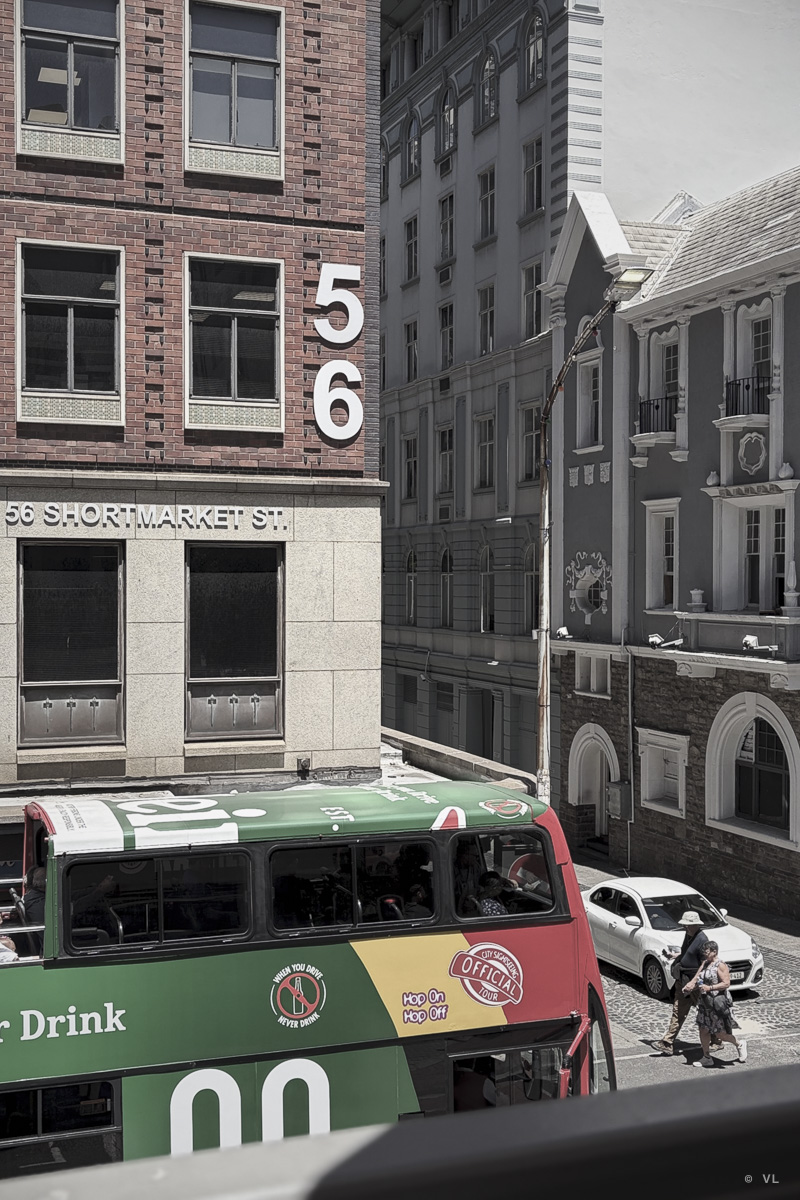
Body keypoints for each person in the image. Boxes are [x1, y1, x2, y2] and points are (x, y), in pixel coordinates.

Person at [654, 910, 716, 1056]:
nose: (685, 927)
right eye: (684, 925)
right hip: (683, 980)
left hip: (694, 984)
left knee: (706, 1011)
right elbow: (687, 953)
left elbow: (705, 964)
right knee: (678, 1010)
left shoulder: (702, 940)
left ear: (695, 924)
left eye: (687, 925)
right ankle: (667, 1042)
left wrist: (693, 983)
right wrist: (675, 955)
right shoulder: (689, 936)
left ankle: (717, 1040)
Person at [683, 940, 747, 1066]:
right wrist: (691, 986)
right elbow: (698, 978)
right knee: (703, 1029)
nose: (704, 953)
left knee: (720, 1034)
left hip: (716, 1004)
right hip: (704, 1003)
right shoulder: (705, 963)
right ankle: (706, 1057)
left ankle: (739, 1044)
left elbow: (726, 983)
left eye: (707, 951)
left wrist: (710, 988)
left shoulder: (720, 965)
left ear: (714, 952)